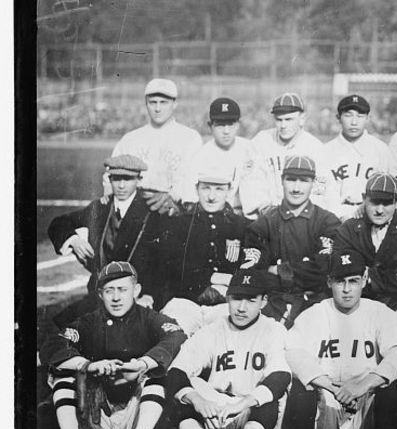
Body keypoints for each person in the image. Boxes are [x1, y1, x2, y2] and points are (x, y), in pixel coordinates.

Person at [282, 252, 397, 429]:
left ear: (365, 279)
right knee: (301, 380)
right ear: (329, 281)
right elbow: (294, 354)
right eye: (340, 281)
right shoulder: (314, 314)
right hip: (326, 406)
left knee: (389, 378)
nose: (347, 289)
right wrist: (331, 386)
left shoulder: (379, 312)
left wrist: (363, 385)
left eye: (353, 281)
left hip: (366, 408)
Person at [41, 261, 186, 429]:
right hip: (96, 418)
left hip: (136, 416)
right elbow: (54, 344)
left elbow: (175, 335)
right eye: (109, 291)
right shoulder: (89, 322)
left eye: (123, 290)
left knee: (157, 374)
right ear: (100, 294)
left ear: (136, 290)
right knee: (64, 375)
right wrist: (88, 365)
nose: (116, 298)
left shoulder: (149, 318)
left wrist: (141, 364)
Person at [164, 270, 290, 429]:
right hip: (215, 413)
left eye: (250, 300)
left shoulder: (273, 330)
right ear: (227, 298)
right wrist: (197, 400)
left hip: (250, 415)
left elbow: (281, 376)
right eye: (236, 299)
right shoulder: (213, 329)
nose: (241, 308)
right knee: (189, 387)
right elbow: (177, 370)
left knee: (266, 397)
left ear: (264, 301)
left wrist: (243, 404)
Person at [47, 155, 164, 327]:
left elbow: (166, 263)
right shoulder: (101, 207)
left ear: (139, 180)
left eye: (128, 179)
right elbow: (58, 224)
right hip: (100, 296)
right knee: (53, 330)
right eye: (116, 179)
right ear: (110, 179)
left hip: (140, 297)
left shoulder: (153, 210)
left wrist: (151, 295)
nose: (122, 186)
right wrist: (74, 240)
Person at [240, 155, 342, 325]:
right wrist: (304, 272)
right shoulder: (264, 224)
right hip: (273, 307)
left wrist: (279, 270)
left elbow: (325, 270)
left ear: (314, 183)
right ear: (282, 181)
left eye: (303, 181)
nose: (296, 188)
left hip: (316, 305)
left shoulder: (327, 222)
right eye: (291, 180)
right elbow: (254, 274)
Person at [157, 163, 252, 334]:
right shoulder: (179, 224)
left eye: (219, 189)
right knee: (173, 334)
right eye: (206, 188)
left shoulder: (242, 227)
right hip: (186, 302)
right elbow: (172, 269)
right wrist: (214, 277)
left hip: (225, 303)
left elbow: (249, 271)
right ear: (197, 189)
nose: (211, 196)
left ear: (229, 190)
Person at [333, 173, 397, 312]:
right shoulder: (349, 228)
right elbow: (340, 272)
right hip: (357, 305)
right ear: (364, 199)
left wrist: (371, 277)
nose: (379, 210)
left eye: (387, 203)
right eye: (374, 202)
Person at [107, 78, 202, 215]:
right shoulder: (130, 139)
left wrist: (174, 197)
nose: (158, 108)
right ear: (146, 103)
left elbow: (191, 179)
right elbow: (111, 175)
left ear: (175, 104)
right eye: (153, 103)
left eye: (164, 103)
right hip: (133, 205)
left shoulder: (190, 138)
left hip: (172, 207)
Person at [321, 93, 397, 221]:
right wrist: (338, 217)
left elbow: (391, 190)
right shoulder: (325, 151)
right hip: (335, 217)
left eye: (360, 116)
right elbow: (321, 193)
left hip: (372, 216)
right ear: (338, 117)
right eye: (348, 115)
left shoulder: (381, 150)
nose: (354, 122)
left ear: (368, 118)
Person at [181, 97, 267, 216]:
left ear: (238, 125)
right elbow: (190, 199)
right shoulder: (200, 155)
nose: (226, 131)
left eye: (231, 125)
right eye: (220, 125)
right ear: (210, 125)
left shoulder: (250, 149)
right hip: (215, 217)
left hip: (248, 215)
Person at [251, 93, 328, 214]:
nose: (283, 125)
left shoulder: (315, 147)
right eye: (279, 120)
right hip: (267, 214)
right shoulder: (261, 141)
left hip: (304, 215)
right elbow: (252, 180)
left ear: (302, 119)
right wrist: (263, 207)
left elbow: (320, 190)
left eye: (289, 119)